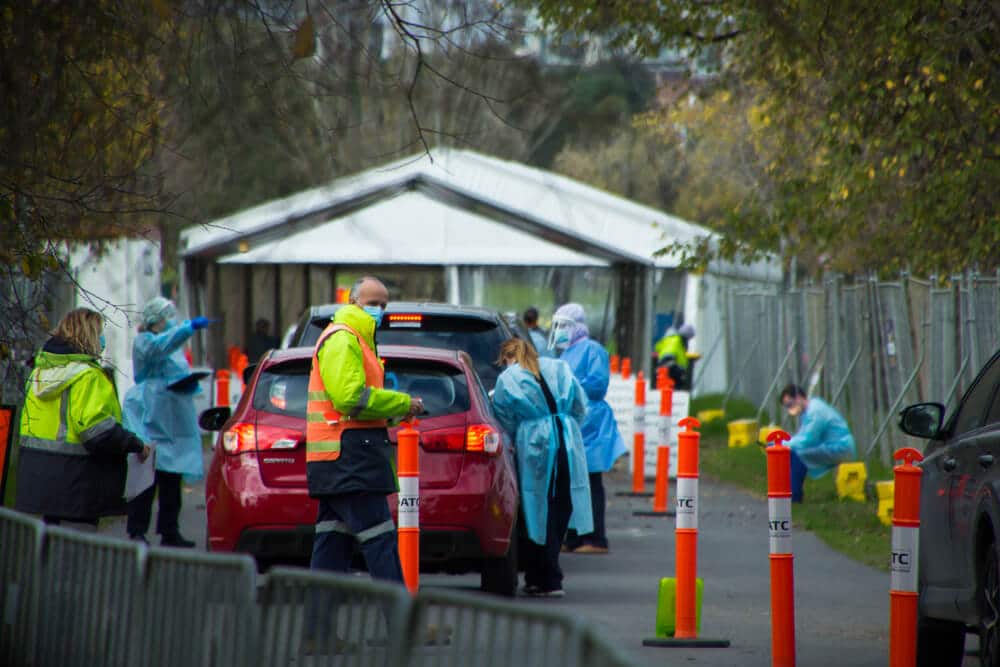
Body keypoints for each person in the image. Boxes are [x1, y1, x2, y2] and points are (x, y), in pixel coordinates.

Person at [15, 308, 150, 525]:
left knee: (48, 552)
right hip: (77, 485)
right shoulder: (87, 376)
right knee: (77, 555)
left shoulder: (39, 373)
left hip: (38, 481)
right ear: (89, 335)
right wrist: (136, 444)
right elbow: (97, 431)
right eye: (100, 333)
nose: (102, 339)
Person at [492, 338, 592, 597]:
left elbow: (504, 419)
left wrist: (520, 438)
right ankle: (548, 574)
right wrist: (568, 426)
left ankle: (544, 576)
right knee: (561, 505)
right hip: (567, 442)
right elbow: (581, 406)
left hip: (535, 445)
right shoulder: (560, 368)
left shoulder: (508, 378)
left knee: (536, 510)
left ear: (507, 357)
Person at [126, 297, 212, 547]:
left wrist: (187, 382)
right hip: (153, 414)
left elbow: (174, 367)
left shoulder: (171, 345)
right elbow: (159, 348)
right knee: (147, 475)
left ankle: (169, 530)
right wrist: (188, 328)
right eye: (167, 317)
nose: (171, 321)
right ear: (157, 319)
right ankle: (137, 530)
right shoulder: (145, 342)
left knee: (172, 478)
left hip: (173, 415)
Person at [548, 303, 626, 555]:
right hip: (575, 422)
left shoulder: (592, 350)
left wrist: (569, 387)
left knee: (590, 481)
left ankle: (595, 538)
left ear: (577, 327)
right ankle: (573, 536)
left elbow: (597, 385)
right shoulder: (566, 352)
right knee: (571, 482)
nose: (558, 331)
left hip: (590, 423)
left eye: (563, 325)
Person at [780, 384, 857, 503]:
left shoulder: (815, 412)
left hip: (840, 447)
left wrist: (783, 444)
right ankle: (791, 493)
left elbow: (807, 439)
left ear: (799, 397)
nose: (790, 409)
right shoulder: (810, 409)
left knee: (797, 455)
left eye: (790, 404)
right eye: (787, 406)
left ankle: (794, 496)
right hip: (834, 446)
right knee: (795, 452)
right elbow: (803, 437)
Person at [655, 323, 695, 388]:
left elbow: (657, 347)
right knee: (680, 382)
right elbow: (681, 357)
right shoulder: (679, 341)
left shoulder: (668, 339)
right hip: (671, 363)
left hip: (661, 363)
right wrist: (683, 369)